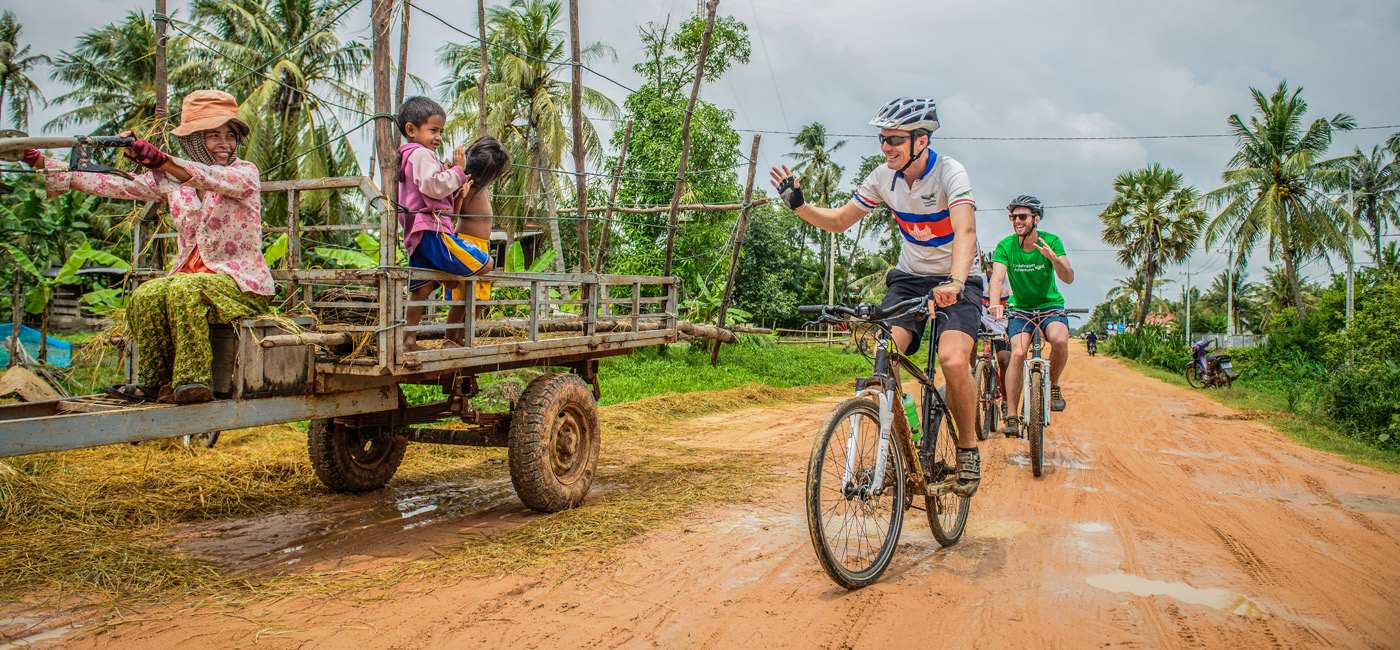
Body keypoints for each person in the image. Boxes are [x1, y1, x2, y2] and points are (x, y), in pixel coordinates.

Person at [769, 97, 984, 497]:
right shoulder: (882, 178)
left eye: (895, 140)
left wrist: (955, 282)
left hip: (959, 278)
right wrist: (798, 205)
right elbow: (838, 221)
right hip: (910, 279)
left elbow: (965, 232)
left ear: (921, 140)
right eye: (883, 139)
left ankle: (968, 449)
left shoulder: (950, 173)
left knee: (954, 360)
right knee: (885, 356)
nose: (886, 147)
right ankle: (905, 443)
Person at [22, 90, 272, 404]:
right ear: (193, 140)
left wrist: (160, 160)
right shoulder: (169, 181)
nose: (225, 144)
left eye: (230, 136)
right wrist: (41, 161)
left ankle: (193, 381)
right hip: (190, 279)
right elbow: (116, 182)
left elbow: (209, 177)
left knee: (184, 289)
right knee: (146, 294)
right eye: (214, 136)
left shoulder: (244, 174)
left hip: (240, 286)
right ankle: (155, 383)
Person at [395, 96, 508, 350]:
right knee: (485, 265)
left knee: (421, 291)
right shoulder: (422, 155)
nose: (438, 137)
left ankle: (408, 340)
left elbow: (436, 190)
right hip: (433, 232)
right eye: (433, 130)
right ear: (411, 130)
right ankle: (450, 339)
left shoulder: (417, 156)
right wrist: (456, 171)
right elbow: (433, 186)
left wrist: (453, 179)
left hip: (425, 233)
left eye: (440, 131)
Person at [987, 195, 1075, 437]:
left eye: (1022, 216)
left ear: (1036, 219)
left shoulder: (1052, 241)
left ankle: (1054, 384)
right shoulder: (1006, 246)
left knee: (1059, 340)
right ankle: (1012, 415)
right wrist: (995, 304)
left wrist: (1054, 259)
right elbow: (997, 278)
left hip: (1050, 306)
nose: (1017, 221)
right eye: (1013, 217)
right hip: (1021, 309)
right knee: (1017, 352)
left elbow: (1068, 277)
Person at [978, 253, 1012, 414]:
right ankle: (974, 377)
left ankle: (1005, 399)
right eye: (991, 266)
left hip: (1003, 326)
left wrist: (1007, 330)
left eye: (997, 266)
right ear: (987, 268)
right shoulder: (979, 281)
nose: (993, 269)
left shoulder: (1010, 283)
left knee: (1005, 360)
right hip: (984, 323)